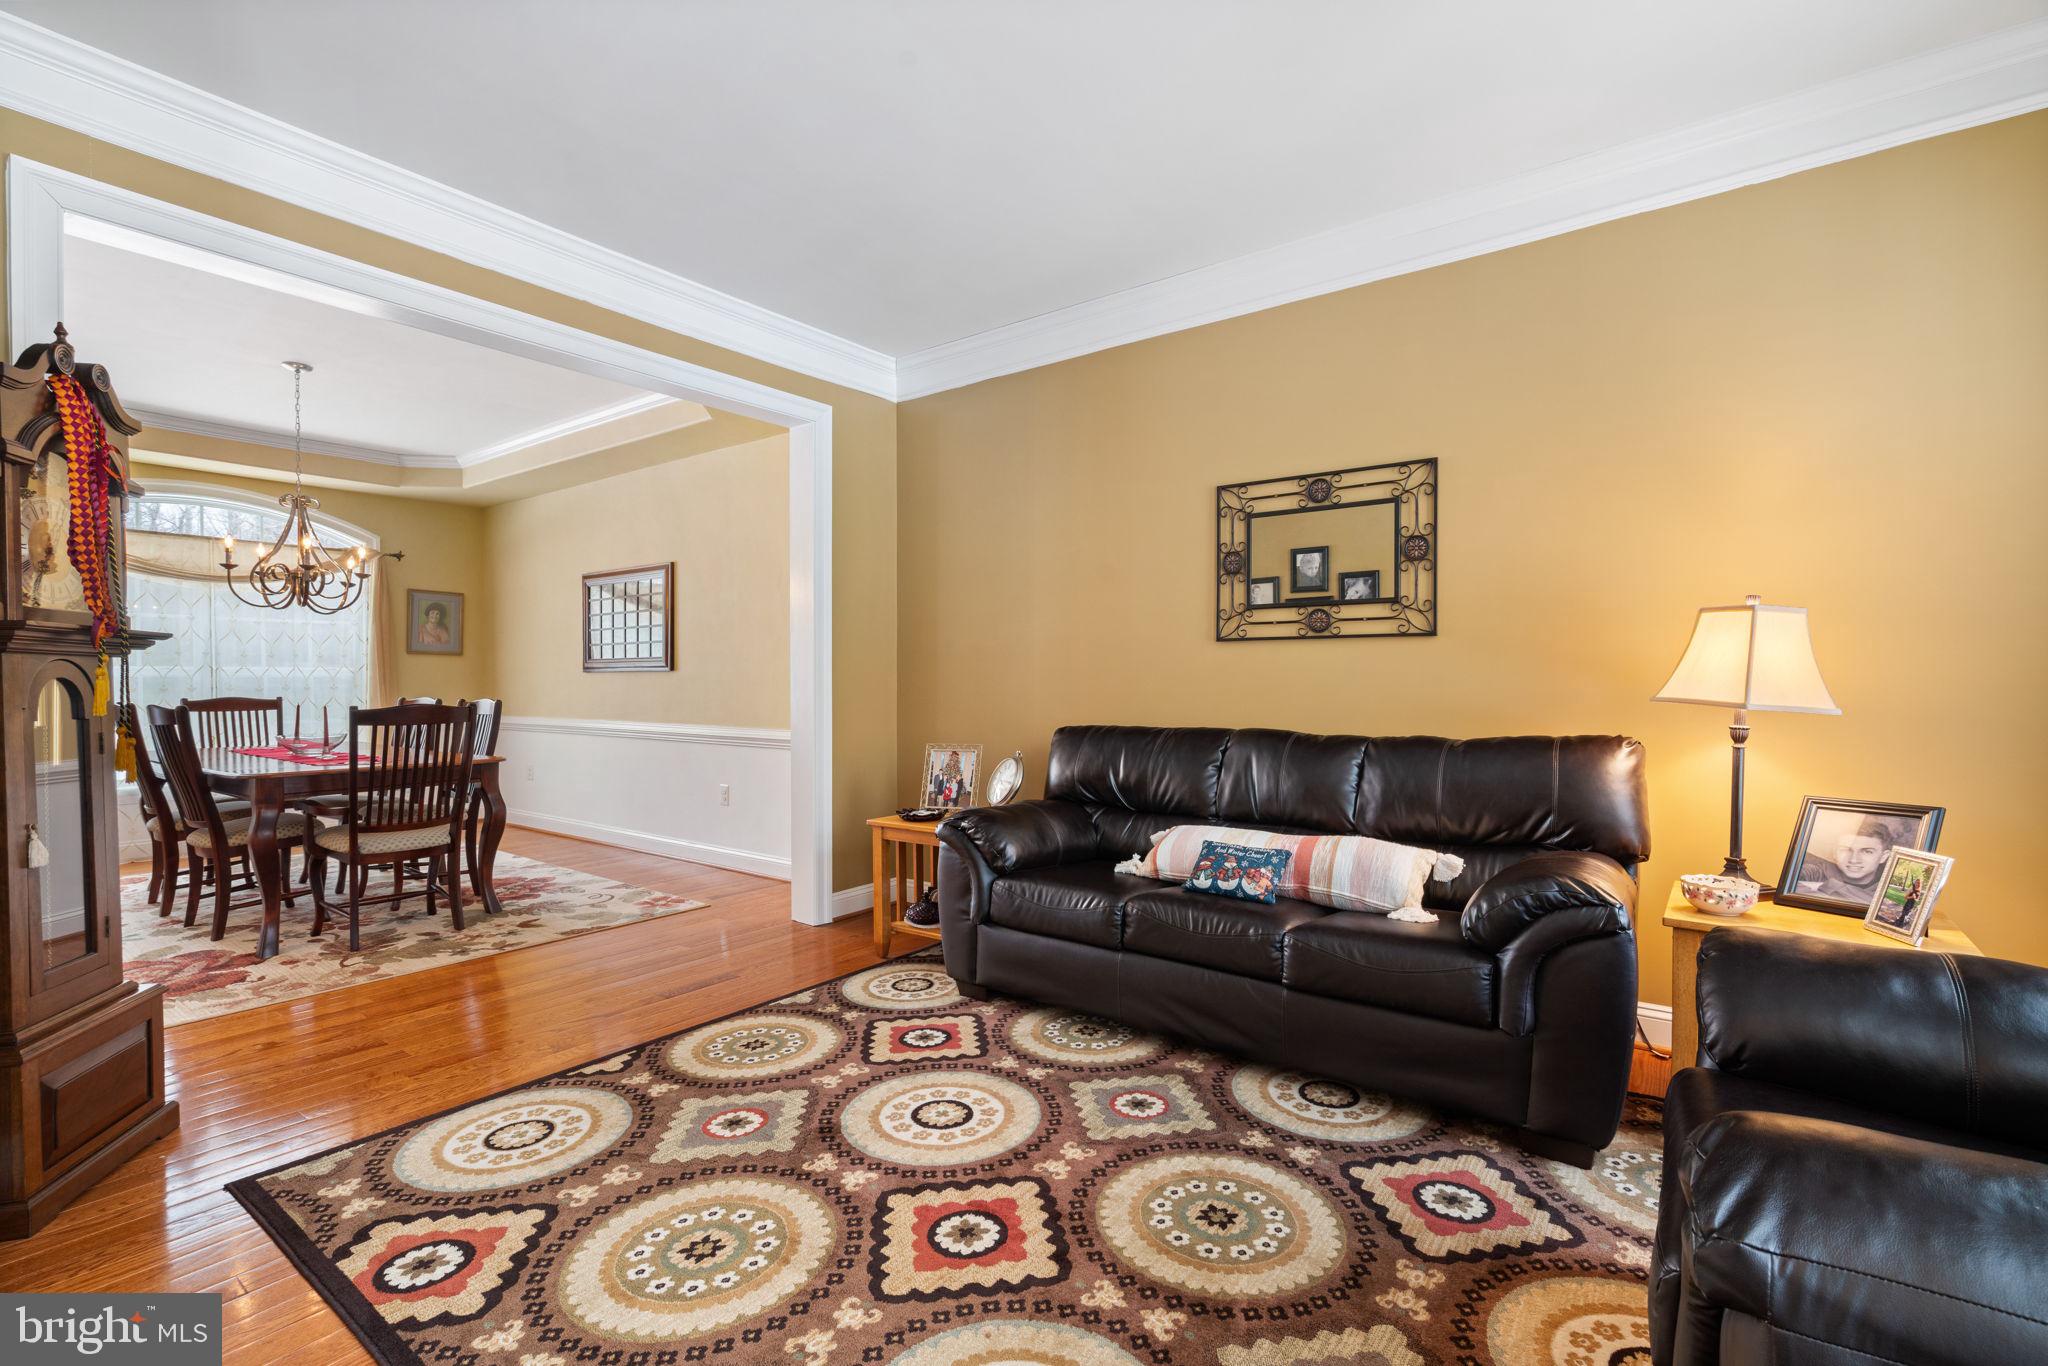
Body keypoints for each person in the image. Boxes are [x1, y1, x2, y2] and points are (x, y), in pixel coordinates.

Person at [1797, 815, 1897, 903]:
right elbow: (1785, 884)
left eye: (1867, 851)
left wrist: (1834, 886)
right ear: (1834, 852)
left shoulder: (1891, 887)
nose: (1854, 859)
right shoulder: (1816, 872)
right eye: (1846, 849)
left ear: (1883, 857)